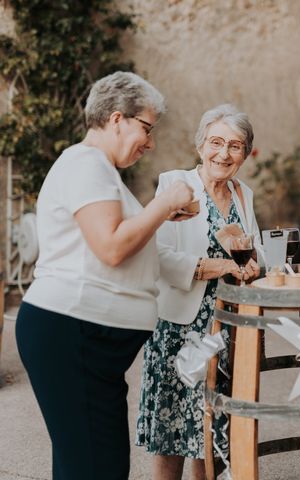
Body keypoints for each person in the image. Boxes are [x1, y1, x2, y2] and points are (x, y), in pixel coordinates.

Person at [15, 71, 195, 480]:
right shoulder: (86, 163)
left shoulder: (101, 171)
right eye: (147, 128)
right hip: (73, 334)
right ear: (118, 119)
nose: (150, 143)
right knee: (98, 468)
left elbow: (125, 244)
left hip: (86, 342)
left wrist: (161, 216)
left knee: (89, 465)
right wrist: (164, 203)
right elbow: (111, 247)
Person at [136, 104, 261, 480]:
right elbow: (155, 252)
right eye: (216, 142)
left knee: (215, 433)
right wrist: (214, 266)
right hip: (180, 328)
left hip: (227, 328)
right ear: (201, 145)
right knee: (172, 435)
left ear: (245, 153)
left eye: (235, 146)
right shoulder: (175, 184)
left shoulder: (244, 194)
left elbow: (249, 250)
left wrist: (254, 266)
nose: (224, 154)